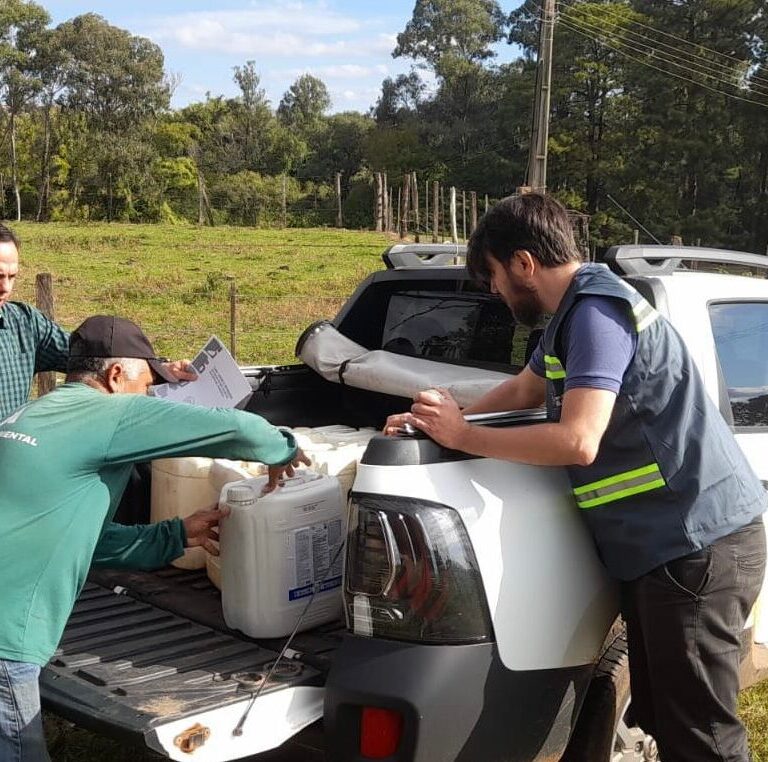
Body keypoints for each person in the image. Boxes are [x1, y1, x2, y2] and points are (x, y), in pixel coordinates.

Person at [385, 193, 767, 761]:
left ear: (523, 263)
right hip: (666, 550)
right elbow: (524, 389)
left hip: (695, 547)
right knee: (666, 717)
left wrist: (464, 438)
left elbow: (578, 440)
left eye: (491, 274)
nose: (492, 290)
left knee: (703, 740)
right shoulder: (572, 315)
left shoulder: (597, 312)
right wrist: (436, 424)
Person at [0, 314, 308, 761]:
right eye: (147, 384)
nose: (148, 396)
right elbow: (237, 428)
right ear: (115, 374)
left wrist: (176, 535)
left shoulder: (35, 412)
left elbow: (90, 541)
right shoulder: (105, 411)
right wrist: (283, 446)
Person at [0, 221, 195, 420]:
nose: (5, 287)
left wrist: (159, 369)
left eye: (12, 276)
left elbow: (92, 356)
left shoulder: (24, 324)